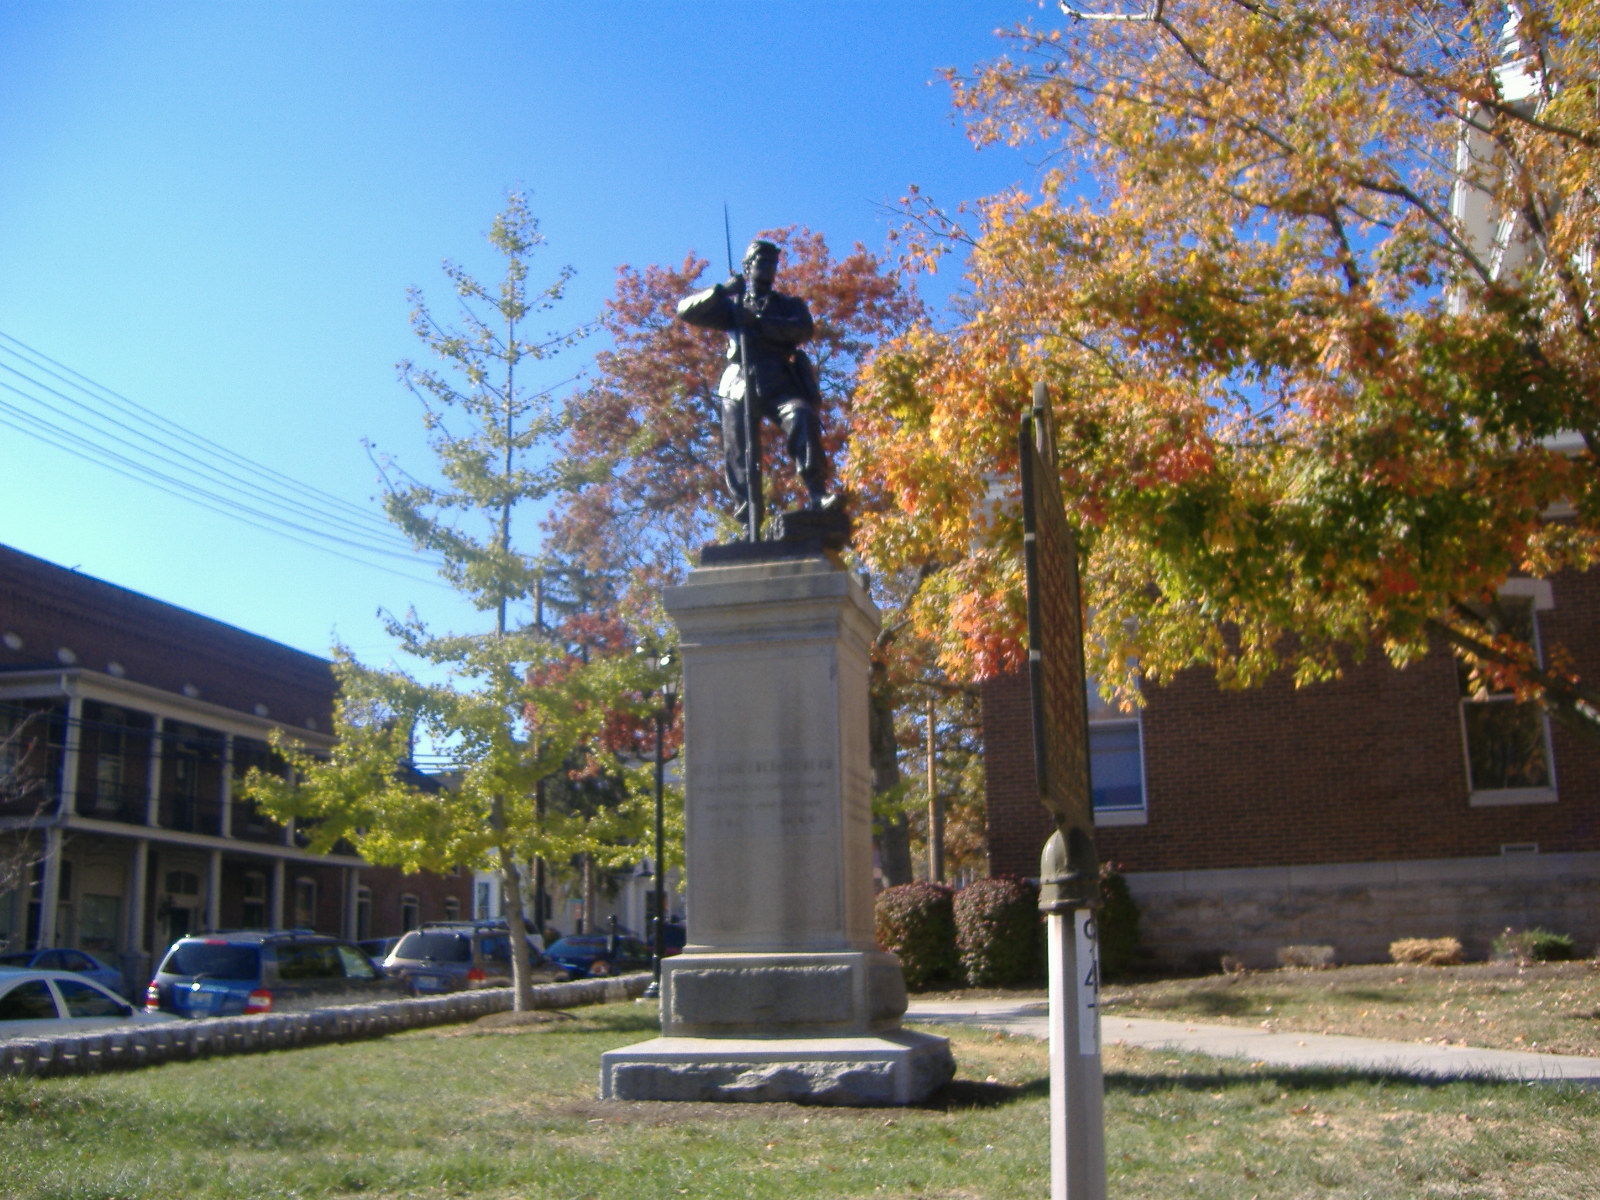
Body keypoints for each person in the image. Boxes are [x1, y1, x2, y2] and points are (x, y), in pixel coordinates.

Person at [677, 239, 834, 525]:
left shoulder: (789, 304)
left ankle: (817, 491)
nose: (768, 268)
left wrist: (759, 323)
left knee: (801, 415)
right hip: (738, 381)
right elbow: (685, 310)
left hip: (778, 378)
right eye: (762, 262)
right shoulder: (732, 305)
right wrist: (722, 291)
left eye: (772, 263)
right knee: (739, 448)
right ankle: (747, 510)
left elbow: (802, 329)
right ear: (747, 267)